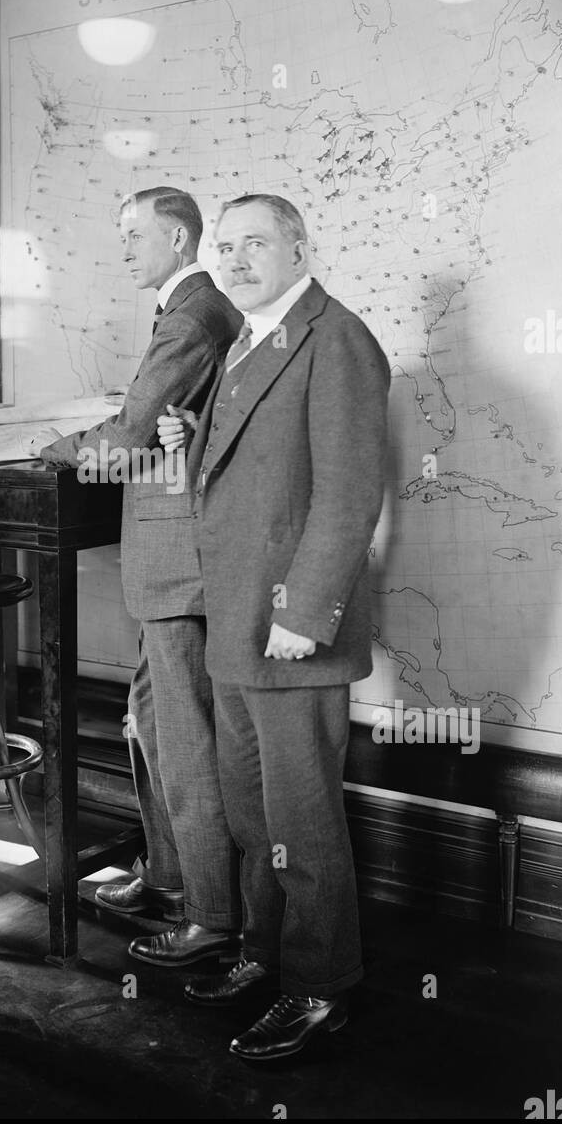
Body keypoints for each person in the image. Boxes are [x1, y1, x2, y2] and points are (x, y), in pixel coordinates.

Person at [158, 193, 389, 1058]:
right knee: (253, 812)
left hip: (288, 629)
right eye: (226, 247)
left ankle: (321, 986)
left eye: (257, 243)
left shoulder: (337, 339)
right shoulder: (249, 340)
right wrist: (195, 432)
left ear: (299, 246)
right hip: (236, 624)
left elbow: (347, 490)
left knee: (301, 818)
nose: (238, 259)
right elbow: (251, 466)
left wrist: (304, 611)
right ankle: (264, 955)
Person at [26, 186, 242, 965]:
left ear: (179, 239)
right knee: (152, 723)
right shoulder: (187, 312)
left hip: (181, 561)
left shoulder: (190, 317)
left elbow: (128, 435)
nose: (121, 249)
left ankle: (211, 915)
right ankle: (169, 877)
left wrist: (56, 445)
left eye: (133, 235)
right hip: (173, 562)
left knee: (182, 736)